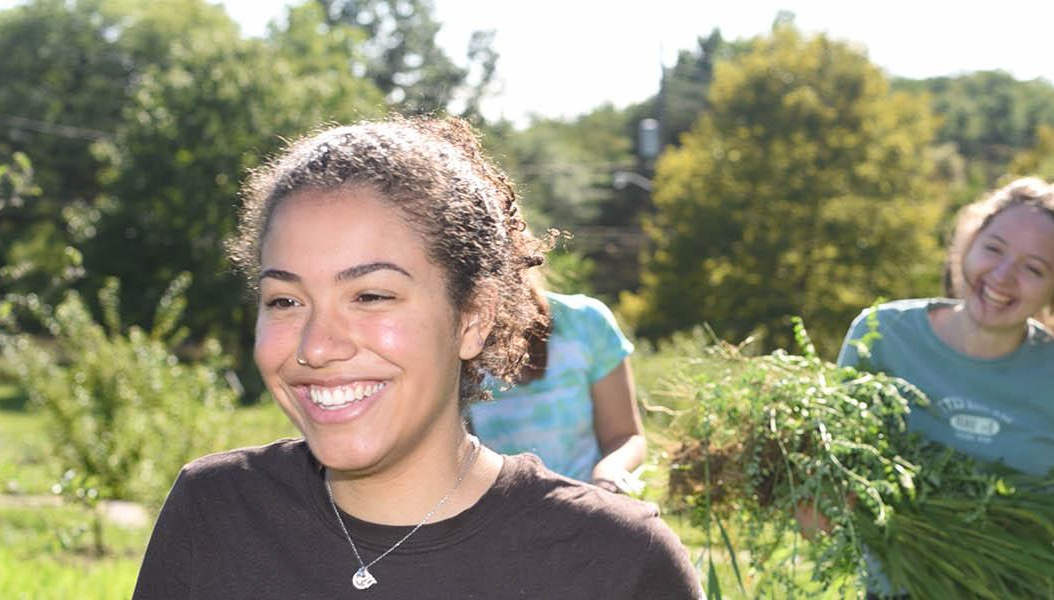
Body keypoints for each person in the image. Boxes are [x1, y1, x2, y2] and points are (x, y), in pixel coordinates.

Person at [132, 117, 702, 598]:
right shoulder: (216, 512)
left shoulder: (617, 563)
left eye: (371, 295)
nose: (316, 346)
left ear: (472, 319)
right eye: (285, 300)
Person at [835, 177, 1054, 598]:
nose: (1002, 276)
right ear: (969, 242)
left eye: (1033, 268)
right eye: (993, 249)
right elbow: (835, 477)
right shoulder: (881, 337)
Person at [467, 277, 647, 494]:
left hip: (587, 508)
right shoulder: (451, 337)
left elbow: (626, 437)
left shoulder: (585, 322)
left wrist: (608, 474)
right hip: (500, 518)